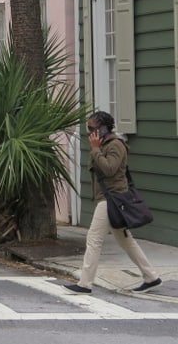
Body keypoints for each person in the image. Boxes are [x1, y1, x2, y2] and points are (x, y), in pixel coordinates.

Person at [64, 111, 161, 294]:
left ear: (104, 128)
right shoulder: (103, 144)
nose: (89, 132)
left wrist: (94, 149)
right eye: (88, 128)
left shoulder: (116, 145)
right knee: (125, 240)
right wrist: (96, 148)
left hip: (112, 198)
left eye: (92, 128)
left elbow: (109, 169)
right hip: (108, 198)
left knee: (93, 238)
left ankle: (85, 284)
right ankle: (151, 277)